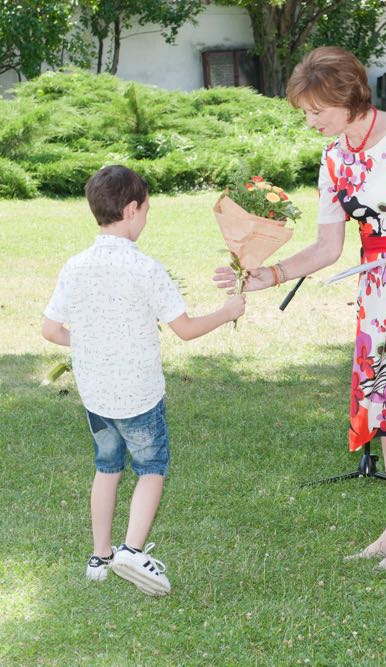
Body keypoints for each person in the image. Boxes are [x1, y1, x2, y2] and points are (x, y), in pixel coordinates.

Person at [214, 47, 386, 570]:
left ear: (348, 98)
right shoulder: (334, 159)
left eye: (317, 110)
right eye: (305, 112)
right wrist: (267, 275)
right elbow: (327, 247)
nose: (311, 121)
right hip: (377, 292)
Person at [42, 165, 246, 595]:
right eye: (147, 209)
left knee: (107, 467)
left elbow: (51, 330)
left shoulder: (75, 265)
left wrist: (89, 345)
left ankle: (100, 556)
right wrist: (227, 312)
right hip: (139, 394)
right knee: (151, 468)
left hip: (96, 395)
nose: (148, 218)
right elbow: (185, 328)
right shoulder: (145, 268)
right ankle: (132, 551)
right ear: (132, 209)